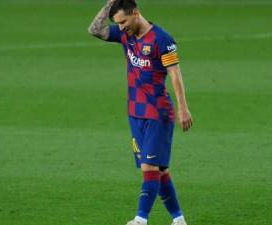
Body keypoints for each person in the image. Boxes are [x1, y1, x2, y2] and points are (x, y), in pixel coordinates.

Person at [88, 0, 193, 225]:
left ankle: (140, 219)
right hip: (135, 112)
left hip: (157, 112)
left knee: (149, 167)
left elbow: (175, 73)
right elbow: (94, 30)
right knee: (161, 170)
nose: (121, 27)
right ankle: (179, 219)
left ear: (136, 13)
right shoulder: (126, 35)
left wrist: (183, 108)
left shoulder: (161, 39)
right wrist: (110, 4)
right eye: (118, 23)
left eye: (124, 21)